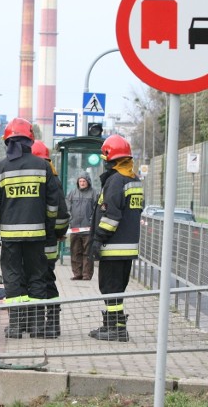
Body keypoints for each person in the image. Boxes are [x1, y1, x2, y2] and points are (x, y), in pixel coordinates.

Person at [0, 118, 60, 339]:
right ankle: (37, 326)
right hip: (37, 236)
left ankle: (17, 327)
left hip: (10, 238)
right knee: (37, 279)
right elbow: (53, 204)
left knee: (13, 280)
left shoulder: (0, 168)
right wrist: (49, 231)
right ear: (30, 140)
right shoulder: (43, 166)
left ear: (8, 141)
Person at [89, 135, 143, 342]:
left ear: (110, 158)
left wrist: (97, 239)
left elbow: (112, 216)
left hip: (112, 246)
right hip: (128, 247)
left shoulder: (115, 181)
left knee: (109, 289)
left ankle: (113, 329)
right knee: (118, 290)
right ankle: (117, 327)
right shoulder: (133, 179)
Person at [31, 140, 70, 338]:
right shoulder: (54, 178)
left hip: (34, 244)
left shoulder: (34, 178)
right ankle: (52, 323)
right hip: (49, 243)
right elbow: (62, 215)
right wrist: (58, 232)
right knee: (47, 281)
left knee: (35, 282)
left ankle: (34, 323)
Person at [66, 171, 97, 280]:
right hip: (74, 228)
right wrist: (70, 218)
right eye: (80, 181)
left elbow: (96, 209)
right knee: (75, 251)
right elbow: (67, 206)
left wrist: (91, 221)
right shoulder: (72, 193)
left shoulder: (93, 193)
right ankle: (77, 274)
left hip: (88, 229)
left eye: (84, 181)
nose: (82, 183)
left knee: (87, 253)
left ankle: (86, 274)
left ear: (88, 182)